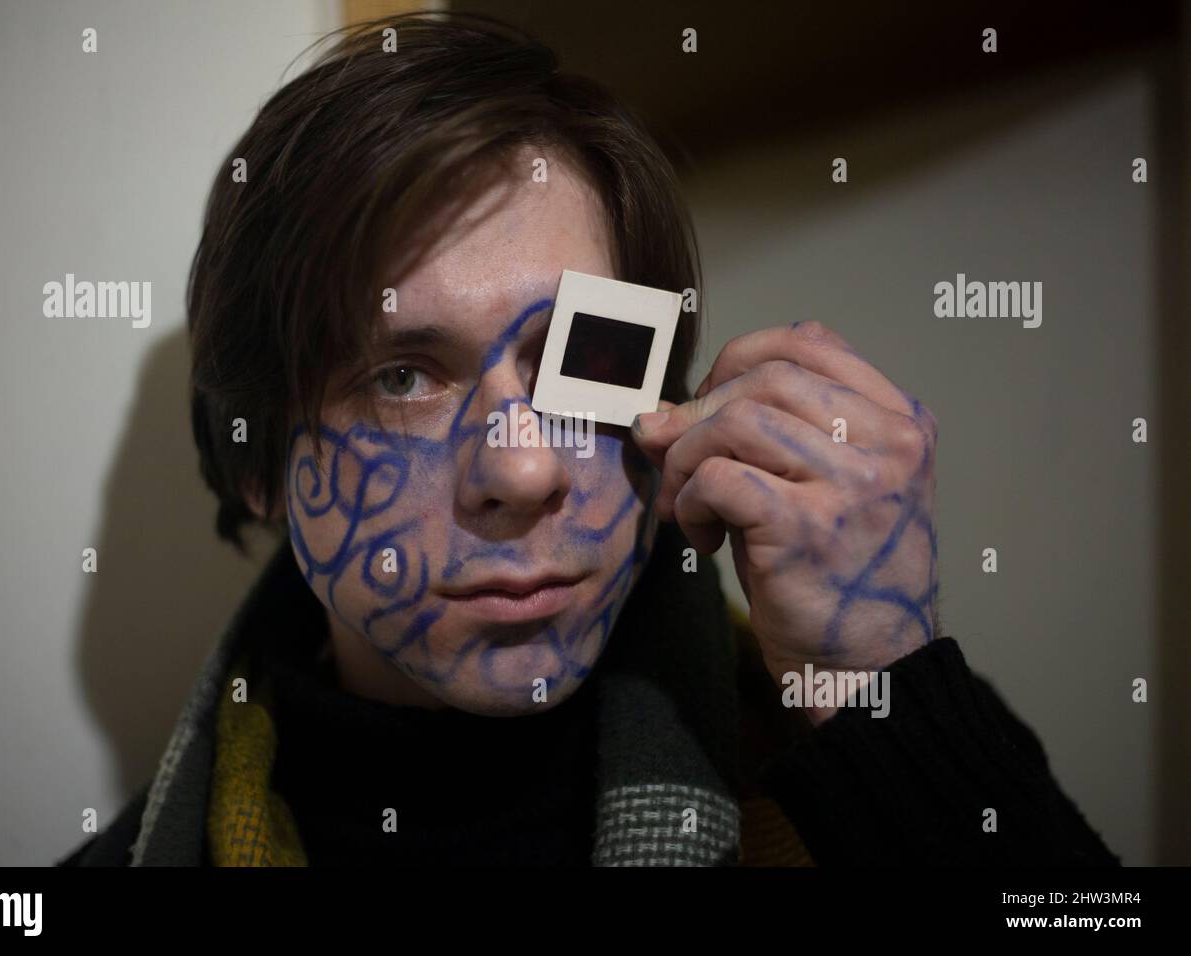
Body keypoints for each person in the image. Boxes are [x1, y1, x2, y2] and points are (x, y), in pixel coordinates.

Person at [59, 11, 1117, 867]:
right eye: (401, 377)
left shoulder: (869, 782)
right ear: (256, 463)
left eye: (584, 357)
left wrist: (882, 700)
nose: (521, 468)